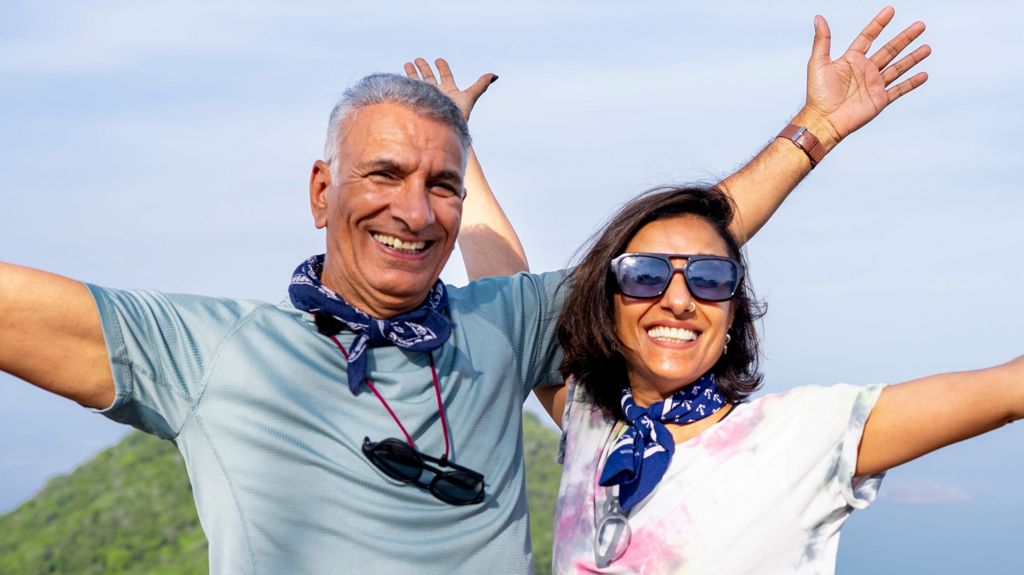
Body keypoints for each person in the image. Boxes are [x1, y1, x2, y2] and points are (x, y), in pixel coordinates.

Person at [0, 8, 927, 575]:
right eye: (385, 174)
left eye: (441, 184)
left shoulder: (502, 322)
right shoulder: (211, 353)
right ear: (322, 191)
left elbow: (671, 253)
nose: (414, 209)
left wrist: (813, 130)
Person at [548, 185, 1023, 573]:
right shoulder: (594, 419)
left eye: (710, 278)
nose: (678, 299)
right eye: (644, 274)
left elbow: (1007, 391)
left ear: (734, 311)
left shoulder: (799, 435)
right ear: (608, 302)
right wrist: (468, 137)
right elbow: (514, 320)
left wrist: (816, 134)